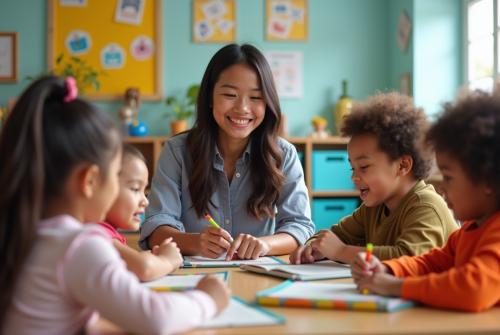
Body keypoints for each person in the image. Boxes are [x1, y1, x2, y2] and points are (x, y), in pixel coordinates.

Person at [0, 76, 230, 334]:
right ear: (89, 180)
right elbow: (155, 319)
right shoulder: (80, 245)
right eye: (115, 177)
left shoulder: (24, 232)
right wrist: (207, 299)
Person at [140, 44, 314, 261]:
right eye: (230, 94)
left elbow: (299, 226)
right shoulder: (177, 152)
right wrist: (196, 243)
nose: (242, 108)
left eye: (255, 97)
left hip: (257, 272)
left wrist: (264, 245)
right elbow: (155, 227)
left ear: (268, 102)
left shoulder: (284, 155)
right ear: (210, 97)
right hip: (195, 275)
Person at [352, 88, 500, 312]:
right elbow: (431, 262)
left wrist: (397, 286)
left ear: (488, 179)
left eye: (448, 177)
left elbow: (473, 289)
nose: (441, 188)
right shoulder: (470, 230)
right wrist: (390, 270)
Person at [290, 92, 457, 265]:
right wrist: (313, 248)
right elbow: (337, 235)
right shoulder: (373, 208)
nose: (354, 177)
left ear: (402, 165)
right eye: (352, 168)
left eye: (363, 167)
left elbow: (410, 258)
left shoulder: (426, 206)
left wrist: (340, 251)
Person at [101, 143, 183, 282]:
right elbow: (144, 268)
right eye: (134, 189)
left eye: (143, 190)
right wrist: (167, 260)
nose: (145, 201)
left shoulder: (109, 234)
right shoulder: (100, 235)